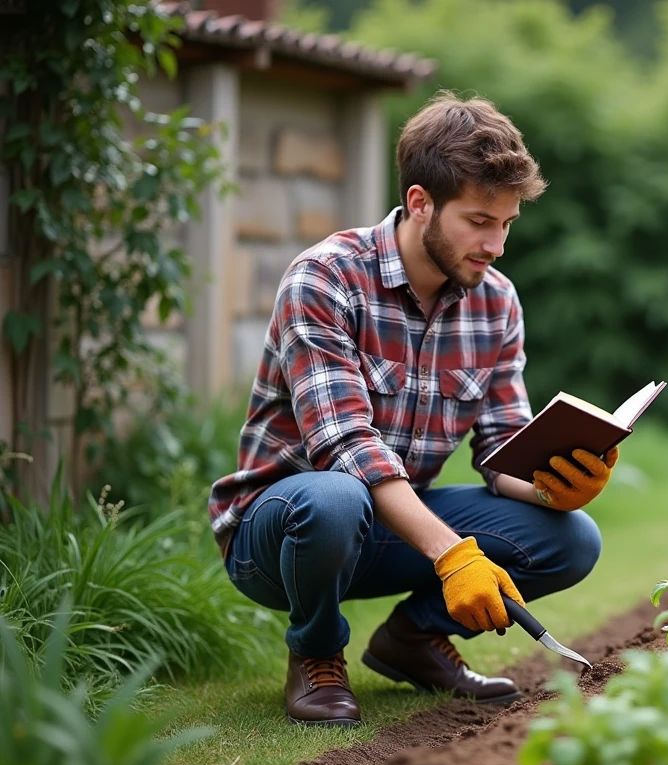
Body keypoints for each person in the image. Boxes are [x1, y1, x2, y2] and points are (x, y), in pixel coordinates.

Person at [208, 92, 617, 728]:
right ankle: (317, 653)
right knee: (338, 497)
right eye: (480, 221)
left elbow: (500, 449)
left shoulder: (496, 302)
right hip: (283, 533)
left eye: (507, 223)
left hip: (395, 529)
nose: (497, 244)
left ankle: (414, 640)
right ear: (421, 202)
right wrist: (453, 555)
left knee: (572, 541)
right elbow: (346, 449)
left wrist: (555, 485)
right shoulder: (325, 277)